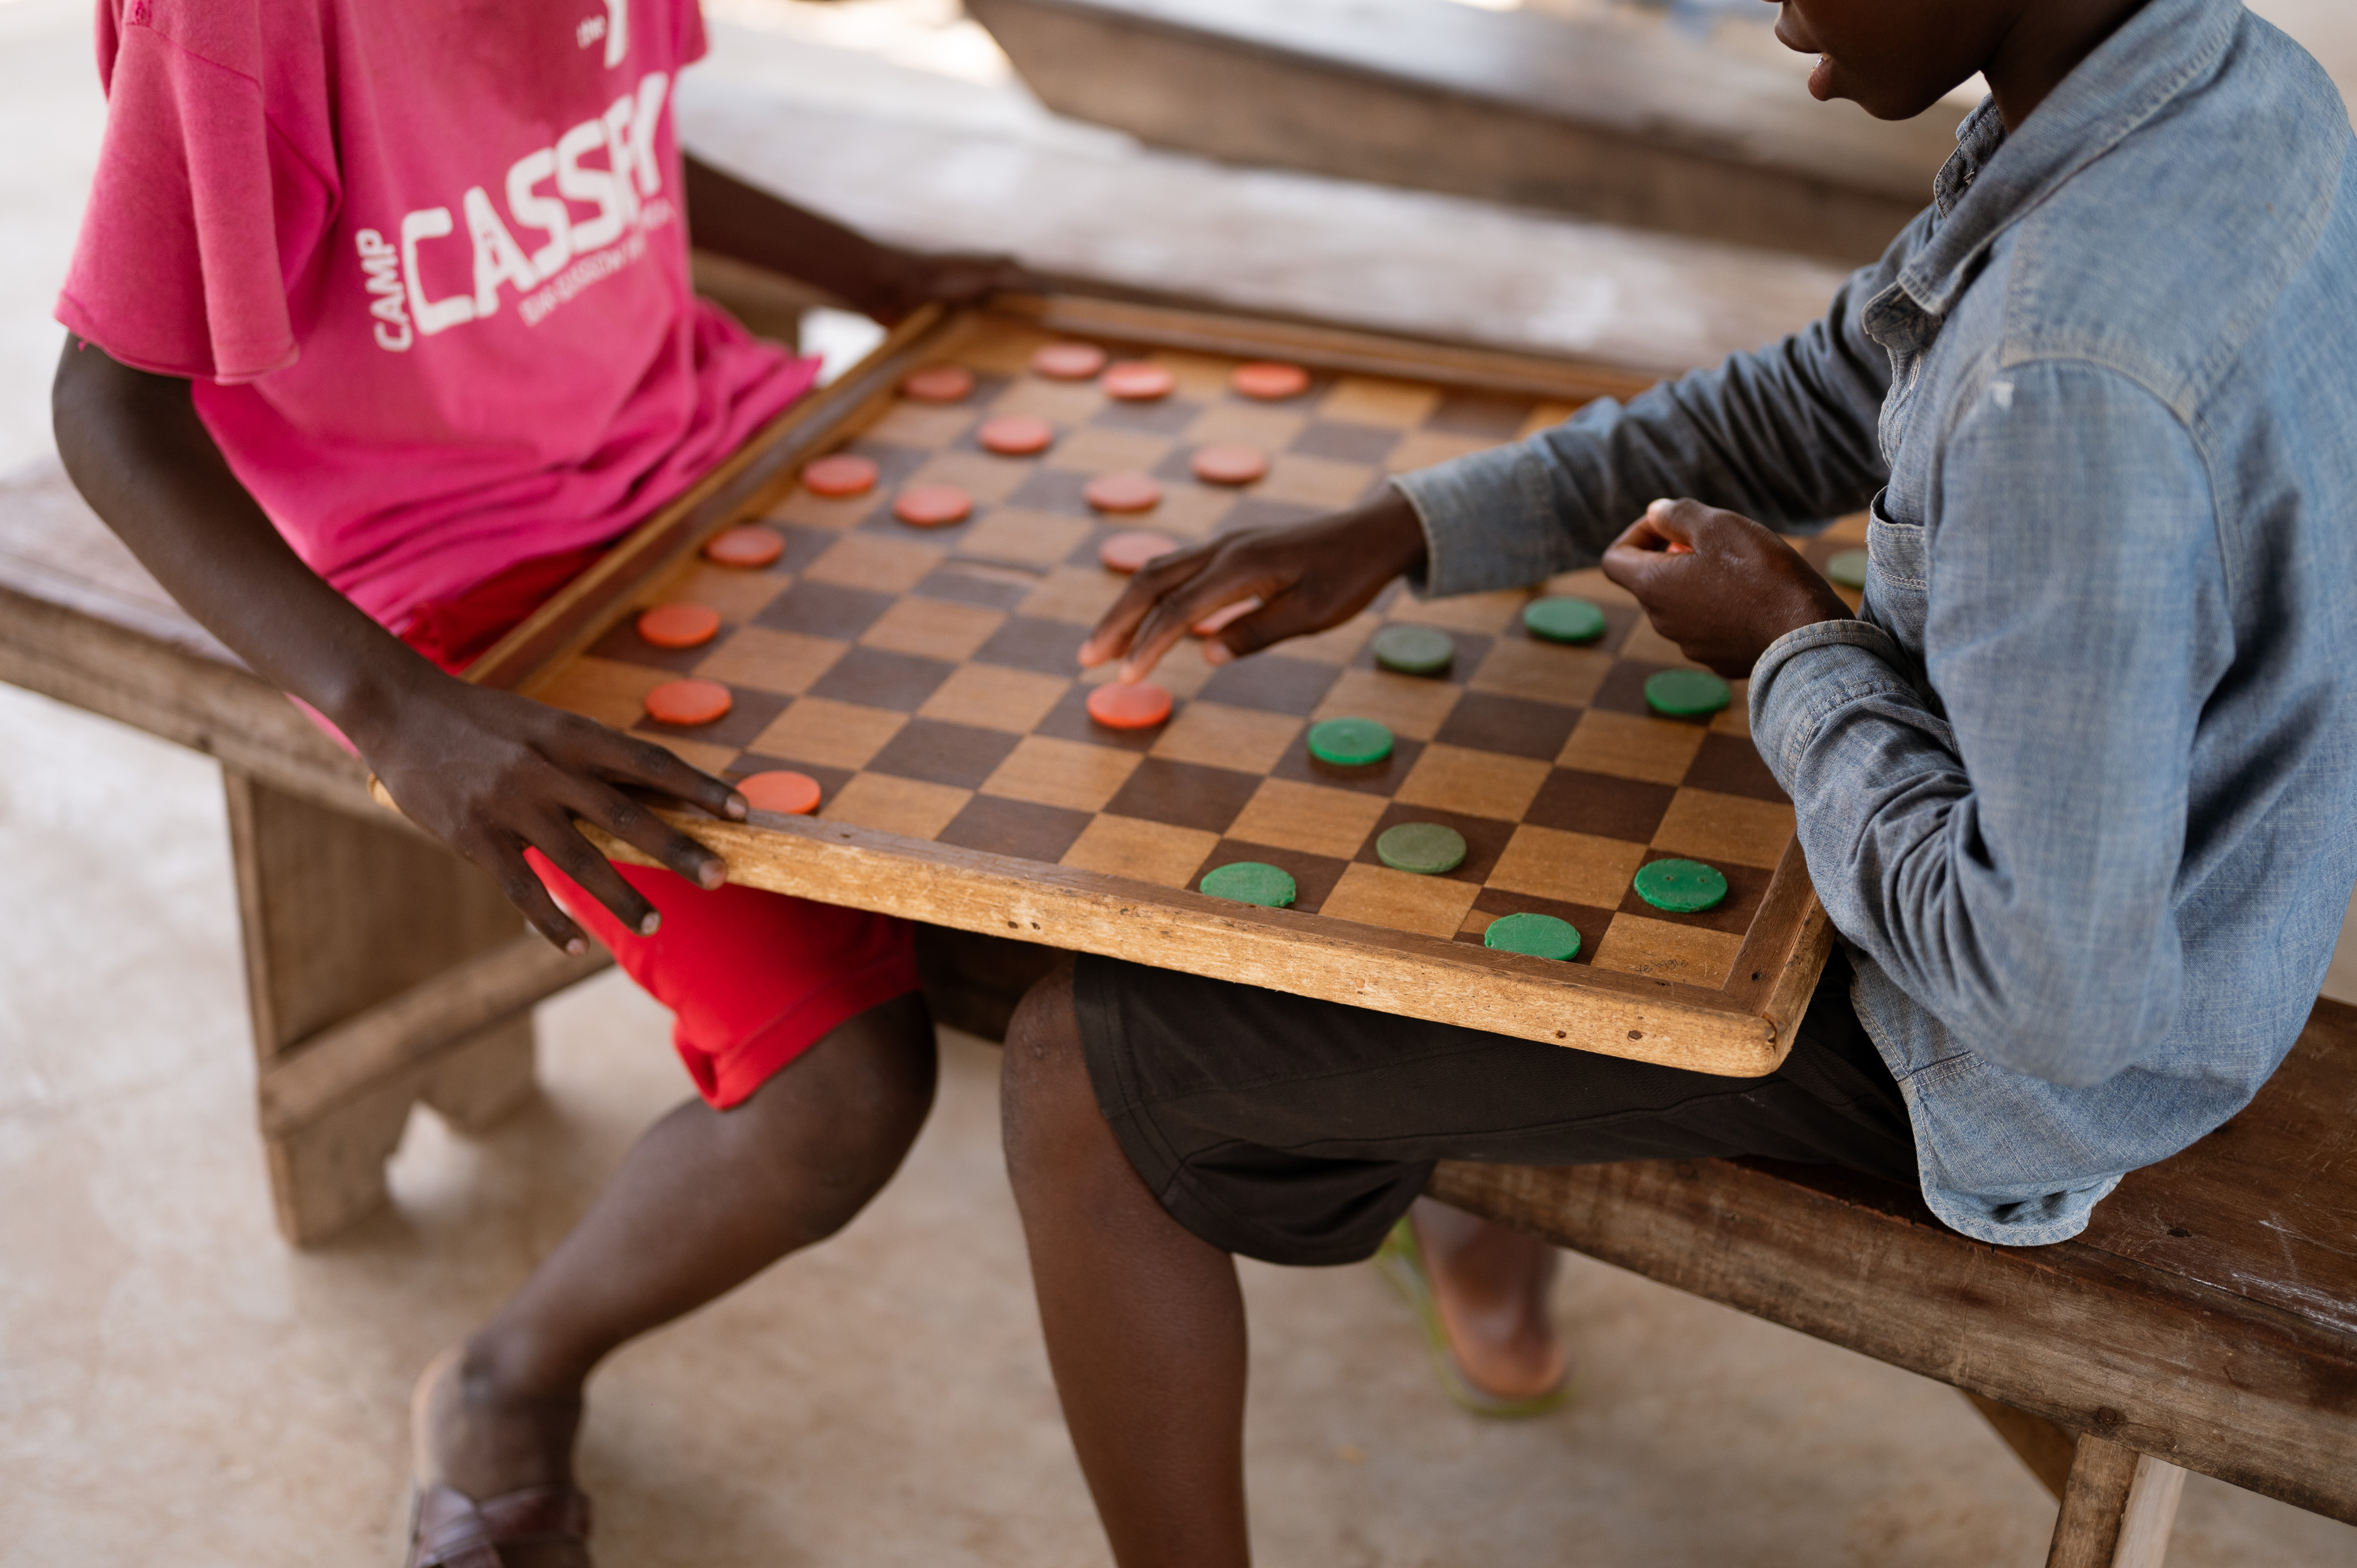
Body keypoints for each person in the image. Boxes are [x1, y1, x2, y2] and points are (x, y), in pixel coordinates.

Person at [997, 0, 2357, 1560]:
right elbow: (1823, 397)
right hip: (2219, 902)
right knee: (1501, 768)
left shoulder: (2062, 370)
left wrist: (1792, 648)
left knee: (1083, 1065)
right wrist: (1410, 528)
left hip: (2023, 1054)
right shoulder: (2216, 77)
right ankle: (1451, 1219)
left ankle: (1426, 1205)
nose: (1772, 15)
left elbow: (2048, 992)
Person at [48, 2, 1036, 1563]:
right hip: (458, 589)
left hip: (718, 435)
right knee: (839, 1091)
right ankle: (508, 1378)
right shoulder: (247, 22)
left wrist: (872, 269)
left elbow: (593, 146)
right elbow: (106, 411)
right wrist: (397, 715)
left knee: (1091, 739)